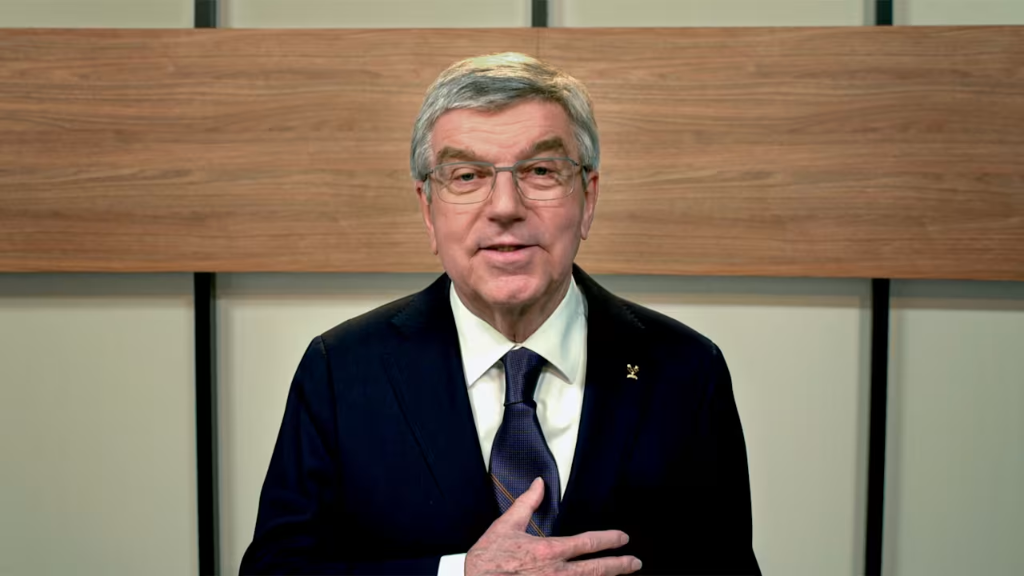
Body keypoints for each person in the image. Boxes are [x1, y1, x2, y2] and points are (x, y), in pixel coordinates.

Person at [240, 53, 759, 576]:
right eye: (467, 175)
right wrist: (459, 574)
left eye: (541, 171)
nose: (505, 206)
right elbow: (275, 570)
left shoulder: (686, 369)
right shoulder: (342, 369)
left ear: (588, 198)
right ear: (428, 209)